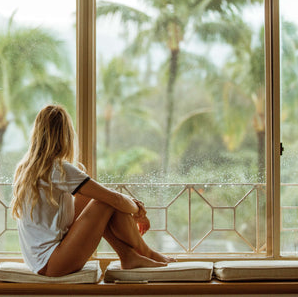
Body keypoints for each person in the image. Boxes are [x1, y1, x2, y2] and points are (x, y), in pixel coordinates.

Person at [11, 104, 175, 277]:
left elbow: (111, 198)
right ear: (66, 135)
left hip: (39, 261)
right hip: (53, 263)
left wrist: (130, 205)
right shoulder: (57, 169)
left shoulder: (26, 168)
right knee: (104, 201)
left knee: (90, 198)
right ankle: (147, 253)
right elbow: (115, 200)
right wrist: (139, 211)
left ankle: (128, 256)